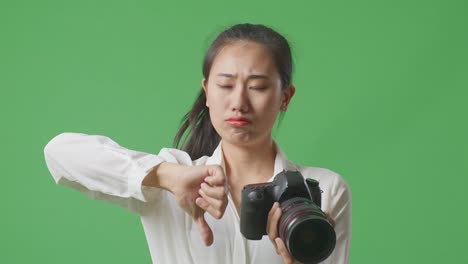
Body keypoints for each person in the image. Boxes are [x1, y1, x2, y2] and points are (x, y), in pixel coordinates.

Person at [43, 23, 351, 264]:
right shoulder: (172, 182)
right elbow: (59, 152)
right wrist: (166, 176)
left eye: (257, 86)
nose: (239, 102)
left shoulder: (324, 189)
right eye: (226, 85)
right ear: (206, 92)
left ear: (285, 97)